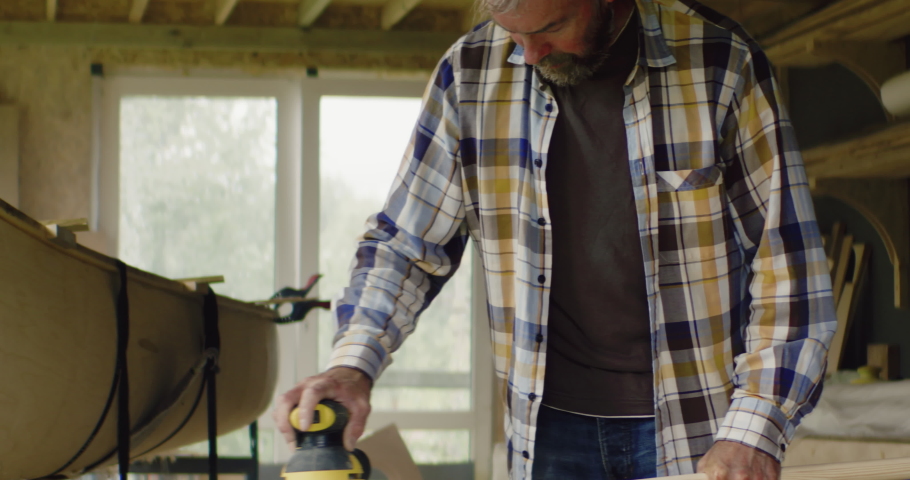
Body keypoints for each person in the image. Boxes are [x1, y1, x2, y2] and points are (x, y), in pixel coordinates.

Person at [274, 0, 837, 478]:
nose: (528, 53)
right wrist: (352, 365)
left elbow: (788, 271)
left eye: (547, 29)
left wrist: (754, 428)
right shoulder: (468, 75)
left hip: (699, 429)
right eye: (511, 32)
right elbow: (404, 248)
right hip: (546, 432)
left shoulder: (721, 63)